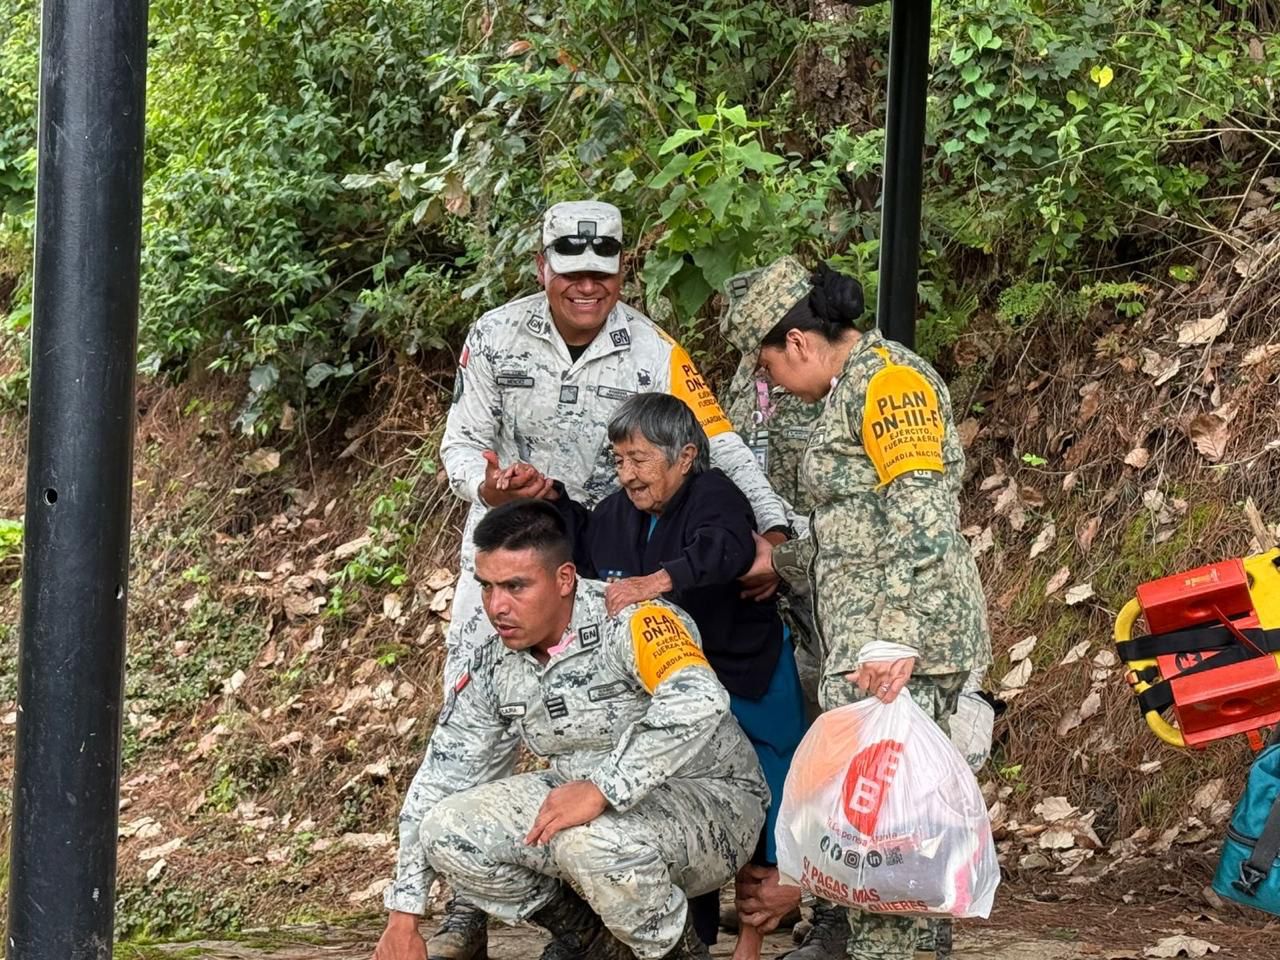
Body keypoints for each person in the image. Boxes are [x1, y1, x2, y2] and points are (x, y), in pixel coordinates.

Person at [431, 199, 790, 957]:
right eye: (571, 273)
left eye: (602, 273)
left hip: (602, 569)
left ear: (623, 270)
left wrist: (773, 529)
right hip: (505, 562)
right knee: (475, 719)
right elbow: (461, 441)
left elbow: (717, 439)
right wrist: (486, 486)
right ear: (543, 268)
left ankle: (610, 897)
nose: (587, 287)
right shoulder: (494, 335)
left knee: (612, 716)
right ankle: (466, 906)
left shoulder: (654, 350)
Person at [731, 261, 993, 960]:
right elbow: (853, 524)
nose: (772, 384)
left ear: (797, 343)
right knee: (880, 836)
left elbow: (922, 511)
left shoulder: (890, 384)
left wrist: (894, 638)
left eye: (768, 368)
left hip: (898, 648)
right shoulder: (848, 388)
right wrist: (783, 563)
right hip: (869, 644)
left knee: (887, 834)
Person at [372, 500, 769, 960]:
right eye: (487, 587)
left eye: (516, 586)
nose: (497, 606)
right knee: (446, 829)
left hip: (712, 800)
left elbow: (699, 699)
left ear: (564, 579)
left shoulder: (634, 617)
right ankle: (594, 943)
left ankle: (677, 953)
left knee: (588, 842)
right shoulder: (492, 663)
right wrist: (404, 916)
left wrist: (603, 788)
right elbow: (442, 775)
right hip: (589, 803)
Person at [541, 393, 807, 960]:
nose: (627, 474)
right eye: (619, 460)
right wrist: (550, 499)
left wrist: (655, 582)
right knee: (679, 794)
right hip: (666, 688)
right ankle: (695, 937)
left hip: (745, 671)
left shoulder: (715, 495)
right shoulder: (618, 512)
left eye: (639, 459)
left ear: (685, 456)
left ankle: (753, 939)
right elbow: (582, 548)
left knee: (771, 802)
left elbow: (724, 548)